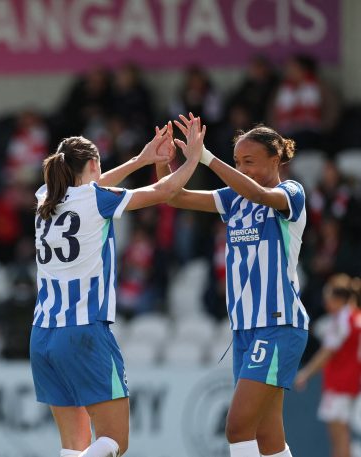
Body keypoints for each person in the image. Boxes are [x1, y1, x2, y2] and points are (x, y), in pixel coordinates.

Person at [29, 119, 204, 457]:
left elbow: (89, 190)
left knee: (74, 447)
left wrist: (140, 160)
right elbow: (166, 191)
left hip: (43, 335)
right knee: (114, 441)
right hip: (83, 331)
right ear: (94, 165)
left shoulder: (44, 198)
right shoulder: (96, 199)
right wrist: (194, 157)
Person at [156, 117, 309, 457]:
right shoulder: (233, 199)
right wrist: (164, 163)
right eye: (238, 162)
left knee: (237, 428)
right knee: (268, 437)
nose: (242, 169)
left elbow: (258, 193)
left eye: (249, 161)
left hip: (278, 324)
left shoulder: (290, 193)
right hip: (245, 329)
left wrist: (206, 158)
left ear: (276, 159)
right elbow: (174, 197)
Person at [294, 274, 361, 457]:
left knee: (339, 438)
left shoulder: (342, 320)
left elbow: (326, 353)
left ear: (338, 299)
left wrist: (305, 374)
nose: (325, 302)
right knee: (343, 437)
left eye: (328, 297)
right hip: (351, 384)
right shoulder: (356, 317)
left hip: (339, 385)